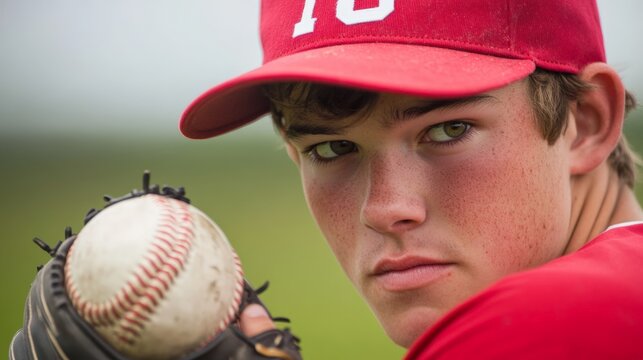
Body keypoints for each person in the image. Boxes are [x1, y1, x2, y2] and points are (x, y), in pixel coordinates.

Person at [180, 0, 643, 358]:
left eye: (448, 130)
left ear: (585, 123)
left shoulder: (540, 325)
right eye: (331, 148)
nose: (385, 209)